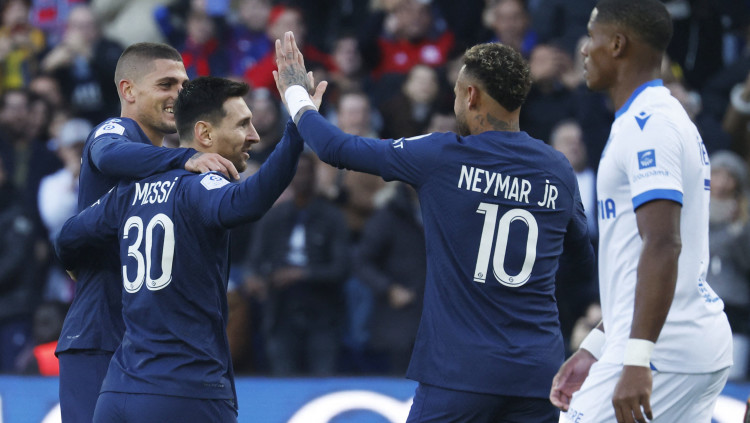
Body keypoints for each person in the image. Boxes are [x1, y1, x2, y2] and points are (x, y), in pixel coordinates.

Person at [273, 31, 595, 422]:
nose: (455, 101)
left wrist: (296, 95)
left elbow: (336, 148)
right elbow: (583, 259)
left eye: (456, 92)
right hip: (536, 373)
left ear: (471, 95)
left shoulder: (442, 156)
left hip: (460, 371)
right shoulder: (558, 168)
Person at [55, 76, 314, 422]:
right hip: (186, 390)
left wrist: (79, 264)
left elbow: (67, 237)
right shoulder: (200, 185)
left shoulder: (130, 192)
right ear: (204, 134)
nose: (254, 135)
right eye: (242, 124)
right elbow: (247, 201)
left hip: (117, 392)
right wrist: (296, 128)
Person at [550, 1, 733, 422]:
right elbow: (635, 262)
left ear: (617, 44)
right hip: (674, 343)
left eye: (591, 37)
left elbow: (663, 244)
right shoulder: (650, 119)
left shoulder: (650, 125)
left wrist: (636, 360)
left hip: (664, 349)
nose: (583, 49)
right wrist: (596, 346)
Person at [55, 42, 239, 423]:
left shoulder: (165, 165)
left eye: (184, 85)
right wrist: (185, 157)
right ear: (128, 91)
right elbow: (108, 154)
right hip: (101, 334)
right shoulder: (117, 131)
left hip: (148, 349)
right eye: (166, 84)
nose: (179, 94)